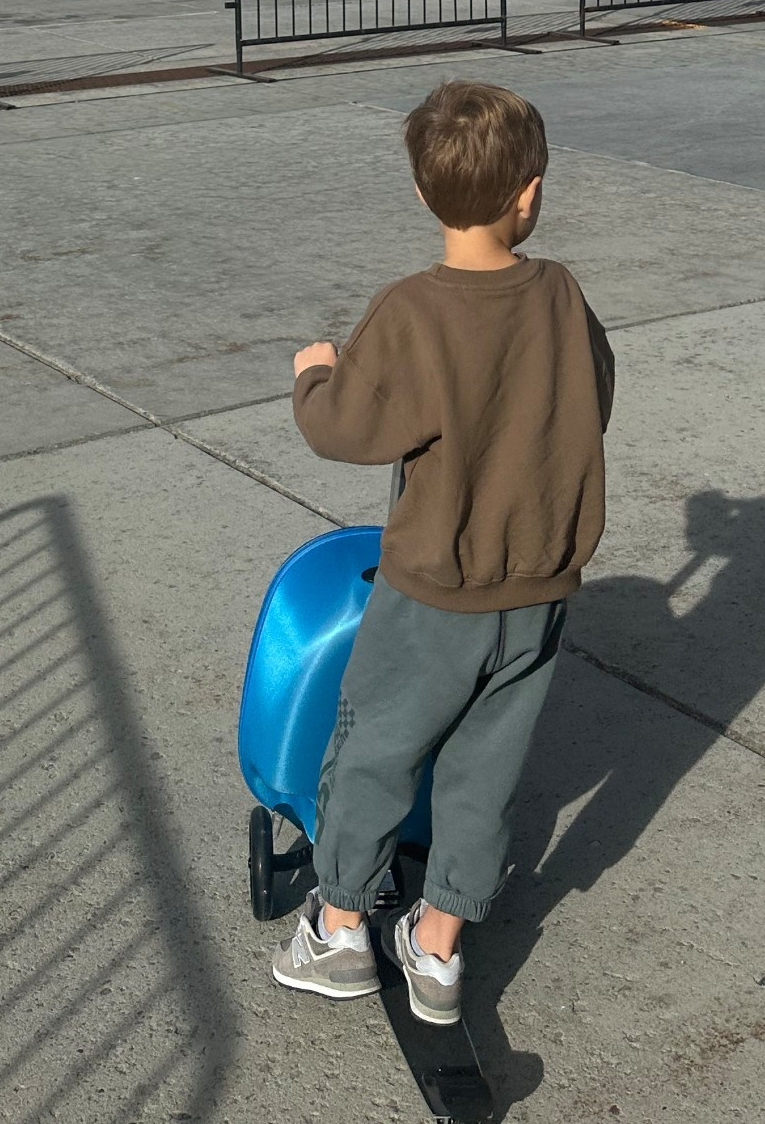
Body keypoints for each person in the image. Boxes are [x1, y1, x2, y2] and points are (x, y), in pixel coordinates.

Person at [272, 80, 615, 1026]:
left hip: (434, 592)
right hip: (538, 586)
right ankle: (438, 946)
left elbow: (349, 428)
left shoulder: (412, 311)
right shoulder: (562, 293)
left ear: (423, 194)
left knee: (377, 749)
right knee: (485, 769)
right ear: (530, 193)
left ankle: (341, 927)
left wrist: (314, 377)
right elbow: (596, 391)